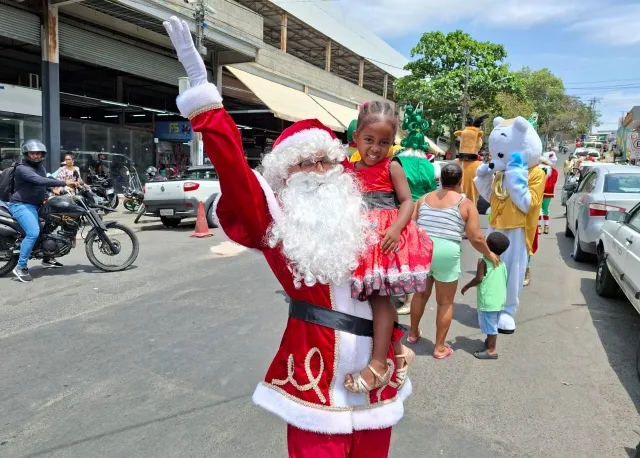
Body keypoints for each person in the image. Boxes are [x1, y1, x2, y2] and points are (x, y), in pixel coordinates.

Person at [164, 16, 411, 456]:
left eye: (325, 161)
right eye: (305, 164)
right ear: (284, 176)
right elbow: (237, 175)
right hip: (315, 373)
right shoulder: (278, 223)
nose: (318, 171)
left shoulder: (360, 212)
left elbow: (383, 291)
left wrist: (395, 345)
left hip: (377, 374)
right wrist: (206, 103)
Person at [344, 100, 433, 393]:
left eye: (384, 142)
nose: (375, 148)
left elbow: (407, 201)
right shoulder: (346, 169)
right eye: (369, 140)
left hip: (384, 242)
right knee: (368, 301)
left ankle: (379, 364)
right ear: (355, 137)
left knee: (380, 301)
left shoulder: (391, 166)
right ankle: (398, 352)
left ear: (392, 144)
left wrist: (395, 228)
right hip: (358, 242)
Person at [407, 163, 499, 359]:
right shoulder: (465, 204)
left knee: (420, 295)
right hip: (446, 253)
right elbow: (476, 237)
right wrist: (489, 253)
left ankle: (413, 334)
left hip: (423, 250)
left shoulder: (423, 199)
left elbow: (412, 226)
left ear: (440, 180)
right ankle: (439, 348)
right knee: (445, 302)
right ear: (460, 182)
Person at [474, 116, 546, 334]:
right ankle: (492, 305)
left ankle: (508, 311)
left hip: (518, 228)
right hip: (496, 225)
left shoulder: (536, 173)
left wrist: (516, 177)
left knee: (514, 270)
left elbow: (527, 204)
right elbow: (492, 197)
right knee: (492, 268)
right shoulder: (501, 173)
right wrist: (484, 179)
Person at [8, 140, 77, 282]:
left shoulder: (40, 166)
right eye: (32, 153)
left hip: (37, 204)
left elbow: (46, 180)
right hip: (22, 205)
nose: (36, 156)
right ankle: (21, 267)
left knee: (52, 225)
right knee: (33, 233)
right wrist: (64, 182)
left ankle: (47, 257)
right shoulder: (22, 168)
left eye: (38, 153)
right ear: (27, 154)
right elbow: (39, 181)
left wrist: (56, 189)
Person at [461, 232, 510, 359]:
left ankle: (491, 350)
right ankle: (489, 343)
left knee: (490, 325)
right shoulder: (502, 263)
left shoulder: (483, 261)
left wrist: (466, 286)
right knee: (493, 323)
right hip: (499, 299)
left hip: (488, 300)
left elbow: (478, 279)